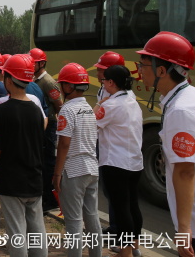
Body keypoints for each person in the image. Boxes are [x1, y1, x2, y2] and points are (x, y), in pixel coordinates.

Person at [137, 32, 195, 257]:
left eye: (143, 65)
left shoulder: (181, 110)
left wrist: (184, 229)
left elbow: (185, 171)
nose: (139, 71)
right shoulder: (184, 99)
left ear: (162, 71)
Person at [0, 54, 47, 257]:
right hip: (34, 178)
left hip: (11, 180)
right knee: (37, 230)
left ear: (9, 80)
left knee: (17, 232)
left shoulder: (2, 111)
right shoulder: (36, 110)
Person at [53, 63, 102, 257]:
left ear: (68, 86)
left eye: (62, 84)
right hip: (92, 169)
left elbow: (64, 144)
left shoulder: (67, 110)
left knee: (73, 222)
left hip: (73, 170)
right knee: (92, 219)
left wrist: (57, 173)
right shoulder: (88, 108)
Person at [94, 64, 143, 257]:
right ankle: (135, 246)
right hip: (135, 162)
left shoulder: (110, 105)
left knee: (121, 208)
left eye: (104, 80)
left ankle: (126, 251)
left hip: (115, 163)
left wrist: (99, 103)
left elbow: (91, 123)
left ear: (111, 83)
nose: (103, 83)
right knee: (132, 205)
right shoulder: (131, 99)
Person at [93, 51, 127, 238]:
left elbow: (93, 121)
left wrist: (99, 107)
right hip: (106, 144)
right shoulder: (105, 89)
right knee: (109, 190)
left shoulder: (116, 98)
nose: (98, 73)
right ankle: (116, 228)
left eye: (101, 70)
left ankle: (119, 232)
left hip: (116, 153)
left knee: (115, 192)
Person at [30, 48, 64, 212]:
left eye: (33, 62)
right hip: (40, 123)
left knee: (48, 161)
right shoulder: (35, 80)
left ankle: (51, 198)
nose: (31, 65)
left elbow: (59, 105)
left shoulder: (48, 82)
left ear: (42, 63)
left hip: (49, 124)